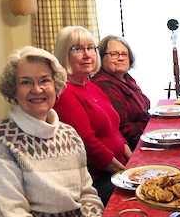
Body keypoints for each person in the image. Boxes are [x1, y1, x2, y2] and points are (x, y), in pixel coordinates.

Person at [0, 47, 103, 217]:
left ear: (56, 85)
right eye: (26, 82)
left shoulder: (69, 134)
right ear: (13, 90)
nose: (37, 89)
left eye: (44, 80)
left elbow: (88, 194)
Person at [54, 26, 131, 205]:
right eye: (77, 49)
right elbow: (88, 145)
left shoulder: (92, 86)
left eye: (90, 48)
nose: (87, 55)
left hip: (118, 170)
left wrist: (133, 161)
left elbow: (115, 131)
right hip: (98, 179)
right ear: (63, 54)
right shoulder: (64, 93)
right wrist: (125, 173)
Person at [92, 35, 150, 150]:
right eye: (114, 54)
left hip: (144, 136)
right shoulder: (103, 84)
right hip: (133, 147)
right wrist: (152, 134)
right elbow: (123, 129)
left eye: (124, 54)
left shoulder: (126, 78)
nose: (120, 58)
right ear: (101, 57)